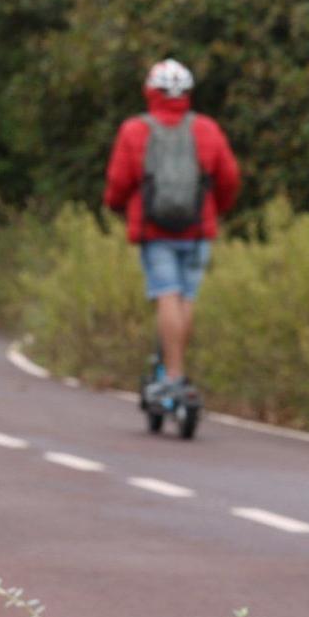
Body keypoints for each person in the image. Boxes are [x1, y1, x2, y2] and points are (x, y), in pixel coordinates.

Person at [103, 58, 240, 405]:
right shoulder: (206, 129)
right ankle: (177, 371)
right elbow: (229, 177)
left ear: (151, 91)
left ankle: (173, 378)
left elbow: (118, 182)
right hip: (198, 230)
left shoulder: (135, 130)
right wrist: (218, 209)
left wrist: (116, 207)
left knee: (166, 295)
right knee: (185, 298)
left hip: (154, 231)